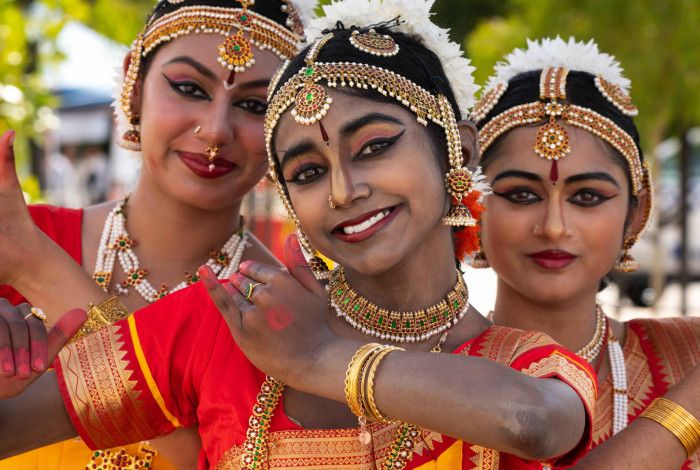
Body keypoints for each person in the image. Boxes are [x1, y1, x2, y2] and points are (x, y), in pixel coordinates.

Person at [0, 2, 598, 468]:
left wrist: (318, 359)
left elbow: (530, 422)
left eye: (376, 147)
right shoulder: (224, 322)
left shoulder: (524, 362)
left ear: (457, 151)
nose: (343, 190)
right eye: (309, 172)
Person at [0, 0, 313, 467]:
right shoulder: (21, 239)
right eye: (189, 88)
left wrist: (43, 272)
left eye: (253, 104)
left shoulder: (282, 308)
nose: (214, 131)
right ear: (135, 84)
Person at [470, 37, 700, 466]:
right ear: (473, 206)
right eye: (521, 194)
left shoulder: (689, 356)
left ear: (637, 213)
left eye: (587, 197)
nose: (554, 226)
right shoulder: (427, 374)